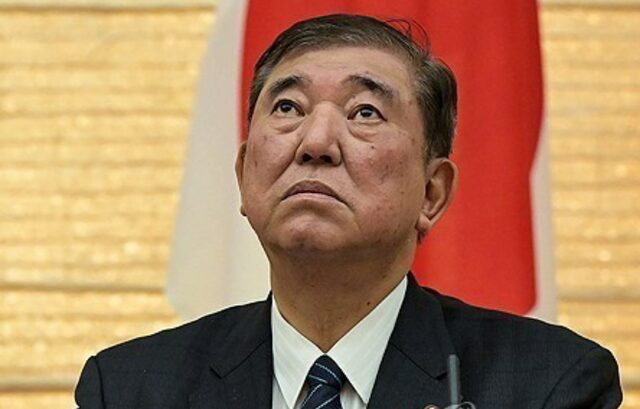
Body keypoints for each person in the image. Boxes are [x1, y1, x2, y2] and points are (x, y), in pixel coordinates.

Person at [75, 14, 622, 409]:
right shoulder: (129, 389)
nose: (316, 142)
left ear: (432, 193)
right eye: (288, 107)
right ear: (243, 176)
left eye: (364, 112)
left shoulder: (549, 384)